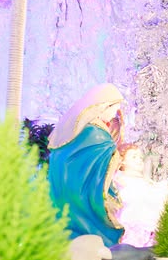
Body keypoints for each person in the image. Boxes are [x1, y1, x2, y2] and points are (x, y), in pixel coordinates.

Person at [48, 83, 128, 246]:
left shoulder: (77, 132)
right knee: (90, 230)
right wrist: (116, 155)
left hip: (67, 191)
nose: (114, 115)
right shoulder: (95, 133)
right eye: (114, 109)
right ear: (103, 107)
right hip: (83, 194)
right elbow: (103, 161)